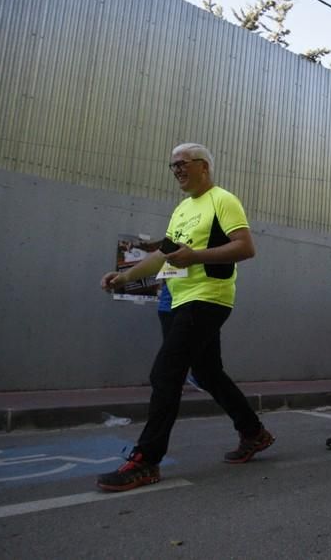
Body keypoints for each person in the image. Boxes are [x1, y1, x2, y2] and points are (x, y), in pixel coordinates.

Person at [97, 143, 273, 492]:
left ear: (204, 166)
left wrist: (196, 257)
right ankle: (253, 432)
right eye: (172, 165)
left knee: (166, 372)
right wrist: (124, 278)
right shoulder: (181, 210)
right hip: (180, 299)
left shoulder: (223, 199)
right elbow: (163, 256)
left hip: (208, 297)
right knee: (207, 372)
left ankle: (146, 460)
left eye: (182, 164)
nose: (176, 170)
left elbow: (245, 247)